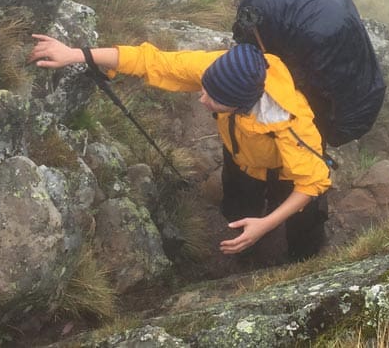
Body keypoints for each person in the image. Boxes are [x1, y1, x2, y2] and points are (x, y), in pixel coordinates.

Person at [27, 35, 332, 262]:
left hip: (285, 174)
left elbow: (312, 182)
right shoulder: (220, 70)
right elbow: (152, 61)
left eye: (212, 98)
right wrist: (76, 54)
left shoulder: (290, 121)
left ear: (241, 105)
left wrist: (266, 225)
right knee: (238, 209)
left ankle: (303, 261)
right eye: (205, 88)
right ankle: (247, 253)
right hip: (240, 160)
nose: (202, 99)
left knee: (303, 223)